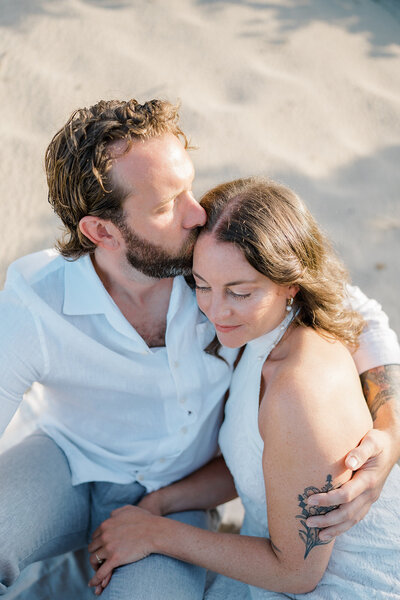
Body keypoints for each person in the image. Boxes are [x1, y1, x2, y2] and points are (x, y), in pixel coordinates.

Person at [0, 99, 398, 599]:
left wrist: (390, 428)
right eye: (167, 205)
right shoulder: (37, 300)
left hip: (181, 491)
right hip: (69, 459)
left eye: (190, 185)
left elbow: (355, 310)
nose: (197, 213)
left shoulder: (216, 263)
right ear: (102, 231)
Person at [87, 177, 400, 599]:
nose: (215, 311)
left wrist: (157, 534)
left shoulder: (300, 390)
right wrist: (162, 503)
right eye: (202, 284)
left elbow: (297, 574)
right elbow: (258, 468)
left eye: (239, 292)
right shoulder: (261, 332)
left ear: (291, 283)